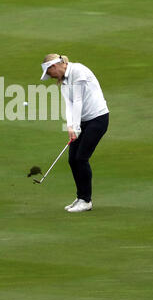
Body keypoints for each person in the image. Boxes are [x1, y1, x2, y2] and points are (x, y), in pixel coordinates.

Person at [40, 53, 109, 213]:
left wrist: (76, 127)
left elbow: (78, 100)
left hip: (97, 119)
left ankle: (86, 200)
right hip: (83, 122)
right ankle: (80, 197)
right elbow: (69, 104)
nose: (51, 77)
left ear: (54, 67)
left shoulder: (78, 71)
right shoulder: (63, 80)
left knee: (81, 158)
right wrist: (70, 126)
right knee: (72, 159)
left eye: (50, 74)